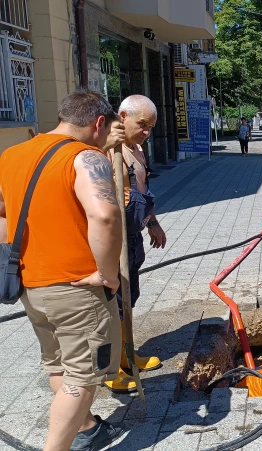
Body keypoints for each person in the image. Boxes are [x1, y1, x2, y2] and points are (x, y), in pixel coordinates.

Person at [0, 90, 126, 450]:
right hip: (77, 288)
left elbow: (2, 213)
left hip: (31, 285)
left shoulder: (12, 154)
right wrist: (107, 274)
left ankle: (85, 427)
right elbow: (104, 215)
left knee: (57, 364)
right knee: (83, 378)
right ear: (98, 123)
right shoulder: (86, 157)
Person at [103, 95, 167, 392]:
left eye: (151, 127)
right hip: (111, 240)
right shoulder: (105, 149)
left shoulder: (138, 150)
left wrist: (152, 223)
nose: (146, 132)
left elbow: (144, 191)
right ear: (124, 116)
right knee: (110, 306)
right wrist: (105, 146)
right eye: (142, 125)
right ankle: (109, 368)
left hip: (133, 235)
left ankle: (127, 355)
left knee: (130, 298)